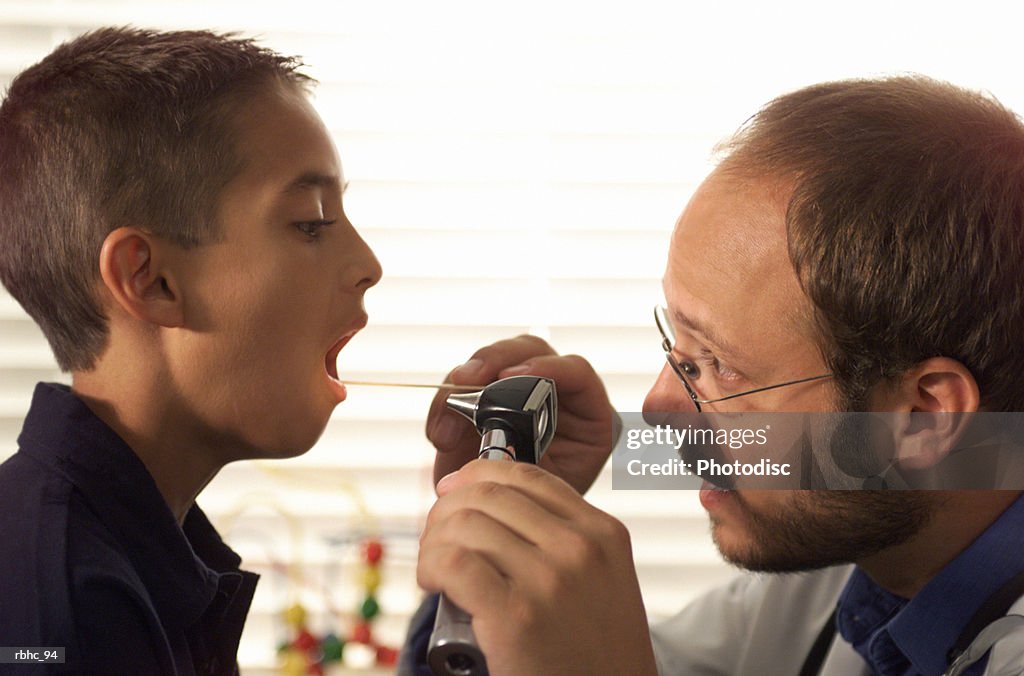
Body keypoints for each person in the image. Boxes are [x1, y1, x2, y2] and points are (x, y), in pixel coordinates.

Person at [408, 76, 1024, 675]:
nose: (656, 405)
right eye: (675, 345)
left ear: (924, 418)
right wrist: (496, 557)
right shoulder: (847, 582)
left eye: (719, 367)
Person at [0, 28, 381, 673]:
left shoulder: (138, 558)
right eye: (311, 222)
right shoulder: (64, 617)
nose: (368, 265)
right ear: (152, 279)